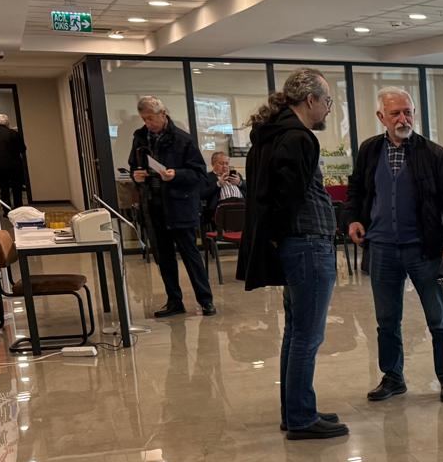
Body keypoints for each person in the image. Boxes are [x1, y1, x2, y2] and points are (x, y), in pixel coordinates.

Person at [237, 69, 347, 440]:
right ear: (310, 100)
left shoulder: (272, 134)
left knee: (296, 332)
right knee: (307, 336)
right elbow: (288, 198)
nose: (328, 108)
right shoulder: (298, 138)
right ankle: (301, 418)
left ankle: (296, 409)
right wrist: (282, 235)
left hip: (296, 244)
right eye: (327, 101)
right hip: (307, 244)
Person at [345, 87, 443, 404]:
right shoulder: (370, 150)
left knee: (438, 320)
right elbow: (357, 189)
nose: (403, 119)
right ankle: (393, 377)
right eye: (395, 113)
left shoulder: (433, 153)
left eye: (408, 112)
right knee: (386, 321)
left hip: (423, 248)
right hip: (382, 247)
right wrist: (354, 219)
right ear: (381, 116)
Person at [129, 96, 216, 318]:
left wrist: (176, 174)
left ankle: (205, 300)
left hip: (180, 206)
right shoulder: (140, 138)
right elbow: (133, 166)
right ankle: (174, 301)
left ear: (163, 114)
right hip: (153, 205)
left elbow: (199, 174)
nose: (148, 123)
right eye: (144, 119)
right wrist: (136, 176)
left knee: (190, 255)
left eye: (151, 118)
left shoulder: (183, 140)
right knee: (164, 257)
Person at [0, 113, 27, 207]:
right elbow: (22, 149)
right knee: (17, 189)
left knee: (4, 189)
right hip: (15, 166)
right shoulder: (14, 133)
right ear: (7, 123)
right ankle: (18, 208)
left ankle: (6, 209)